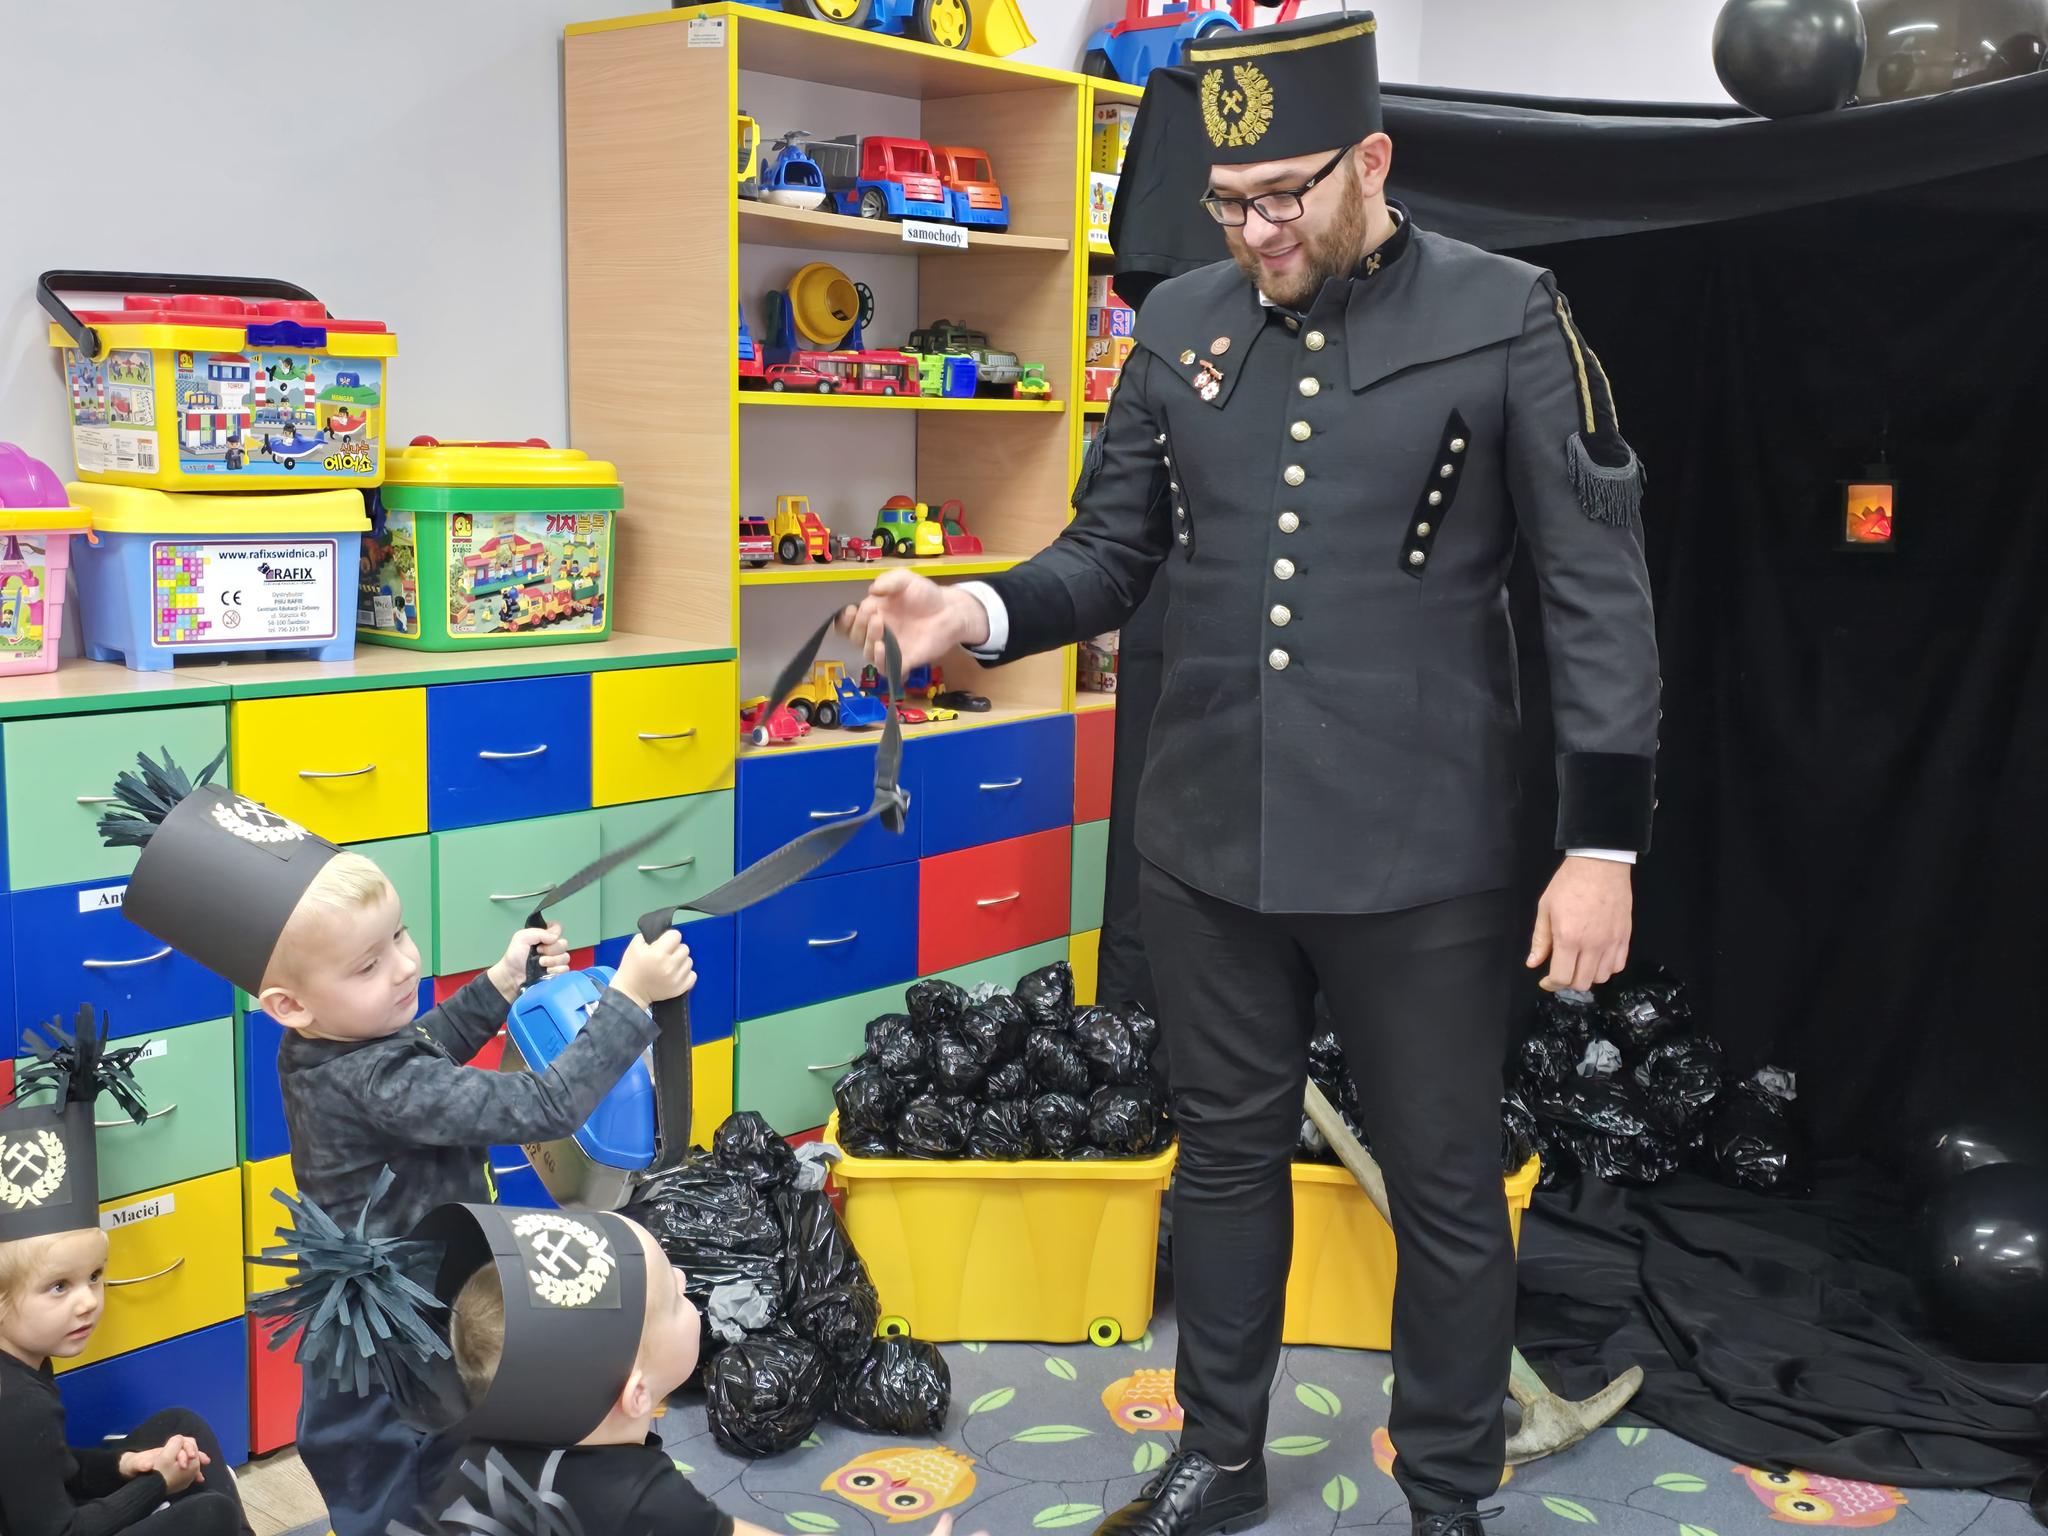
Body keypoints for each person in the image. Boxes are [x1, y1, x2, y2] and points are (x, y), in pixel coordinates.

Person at [841, 13, 1658, 1536]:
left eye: (1286, 194)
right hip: (1209, 834)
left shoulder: (1506, 312)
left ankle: (1447, 1489)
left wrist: (1599, 848)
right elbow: (1109, 553)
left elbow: (1594, 597)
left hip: (1424, 848)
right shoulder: (1180, 323)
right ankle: (1217, 1456)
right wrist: (972, 613)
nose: (1258, 231)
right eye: (1229, 203)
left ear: (1372, 161)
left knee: (1443, 1182)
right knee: (1221, 1160)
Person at [97, 758, 699, 1536]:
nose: (407, 963)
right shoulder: (374, 1079)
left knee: (406, 1462)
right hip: (396, 1337)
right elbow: (544, 1105)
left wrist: (501, 981)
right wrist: (630, 999)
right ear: (289, 1004)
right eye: (370, 963)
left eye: (400, 934)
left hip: (393, 1307)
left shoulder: (330, 1043)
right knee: (404, 1484)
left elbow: (423, 1047)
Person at [257, 1193, 990, 1536]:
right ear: (638, 1392)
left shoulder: (470, 1437)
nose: (688, 1286)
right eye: (673, 1296)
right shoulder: (638, 1497)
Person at [0, 1009, 254, 1536]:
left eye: (94, 1276)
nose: (88, 1301)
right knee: (211, 1514)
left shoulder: (23, 1362)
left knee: (180, 1428)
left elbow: (53, 1470)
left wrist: (128, 1465)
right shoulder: (18, 1405)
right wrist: (156, 1485)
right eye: (59, 1286)